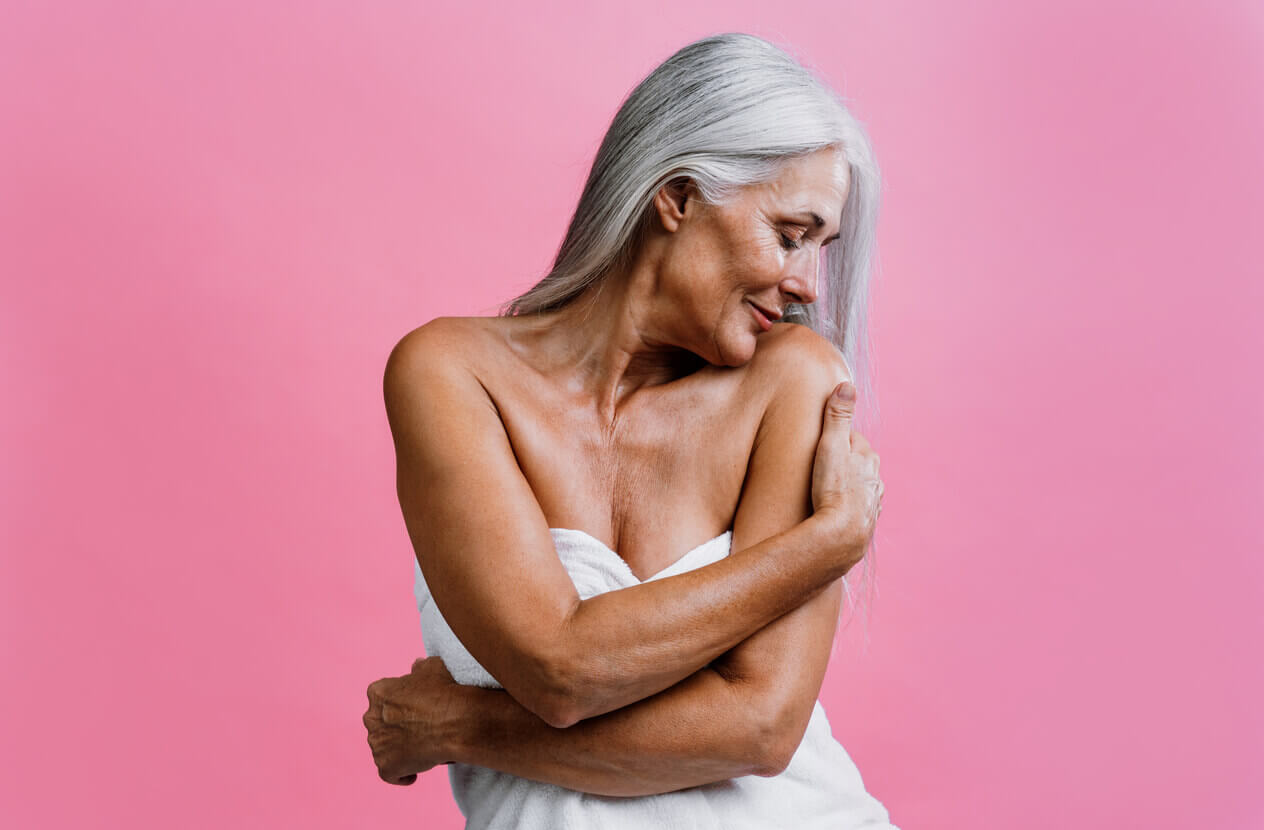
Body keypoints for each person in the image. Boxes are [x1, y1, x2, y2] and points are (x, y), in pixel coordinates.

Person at [362, 32, 894, 829]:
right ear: (677, 198)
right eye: (791, 235)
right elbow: (557, 669)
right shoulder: (452, 375)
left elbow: (761, 728)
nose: (809, 286)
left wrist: (459, 726)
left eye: (823, 247)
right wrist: (822, 545)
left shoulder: (796, 382)